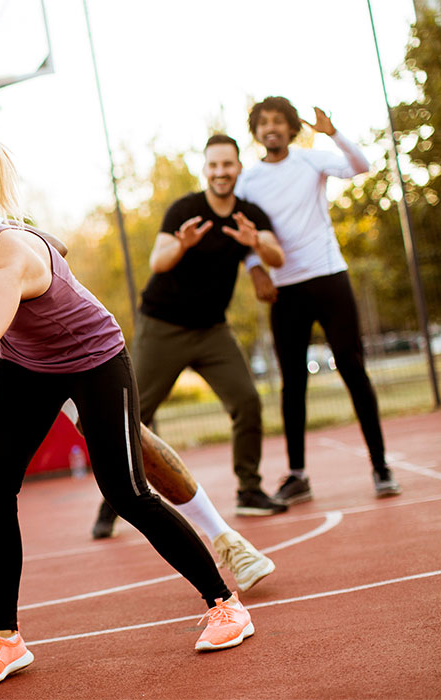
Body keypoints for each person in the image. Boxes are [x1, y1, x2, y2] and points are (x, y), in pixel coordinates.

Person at [0, 177, 274, 659]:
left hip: (52, 345)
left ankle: (224, 542)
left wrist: (31, 259)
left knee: (127, 468)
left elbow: (29, 263)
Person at [92, 134, 287, 542]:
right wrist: (181, 245)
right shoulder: (186, 209)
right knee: (133, 415)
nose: (221, 172)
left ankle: (249, 489)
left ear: (238, 168)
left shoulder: (248, 215)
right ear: (206, 169)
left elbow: (276, 256)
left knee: (247, 401)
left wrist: (255, 244)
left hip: (212, 331)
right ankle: (112, 503)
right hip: (163, 327)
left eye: (228, 165)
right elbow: (157, 261)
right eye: (213, 165)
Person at [236, 97, 401, 503]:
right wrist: (256, 269)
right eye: (263, 122)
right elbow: (239, 231)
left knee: (352, 367)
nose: (270, 127)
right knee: (292, 384)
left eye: (278, 121)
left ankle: (380, 465)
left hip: (328, 277)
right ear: (256, 132)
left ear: (292, 129)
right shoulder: (248, 181)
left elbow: (361, 166)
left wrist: (333, 133)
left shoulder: (311, 160)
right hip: (284, 289)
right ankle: (297, 475)